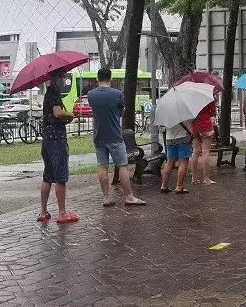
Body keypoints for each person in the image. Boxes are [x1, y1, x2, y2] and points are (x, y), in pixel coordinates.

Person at [88, 67, 146, 206]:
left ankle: (106, 198)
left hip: (98, 135)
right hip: (114, 135)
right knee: (122, 166)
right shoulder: (117, 94)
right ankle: (129, 196)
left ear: (97, 78)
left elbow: (94, 110)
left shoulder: (91, 94)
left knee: (102, 166)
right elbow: (121, 112)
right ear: (111, 78)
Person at [38, 70, 80, 223]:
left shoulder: (48, 93)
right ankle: (62, 212)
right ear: (55, 78)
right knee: (60, 176)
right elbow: (57, 113)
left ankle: (43, 212)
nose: (63, 80)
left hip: (47, 139)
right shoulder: (55, 93)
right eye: (62, 77)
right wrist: (70, 115)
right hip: (57, 140)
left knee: (47, 176)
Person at [190, 98, 217, 184]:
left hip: (194, 126)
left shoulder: (190, 98)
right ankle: (206, 179)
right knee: (205, 151)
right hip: (206, 126)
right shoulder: (208, 97)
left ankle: (194, 179)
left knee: (195, 152)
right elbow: (213, 112)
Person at [160, 121, 192, 193]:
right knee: (183, 162)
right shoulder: (185, 114)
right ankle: (179, 187)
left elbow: (163, 127)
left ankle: (164, 186)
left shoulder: (166, 116)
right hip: (183, 138)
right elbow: (192, 121)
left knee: (169, 162)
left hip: (169, 139)